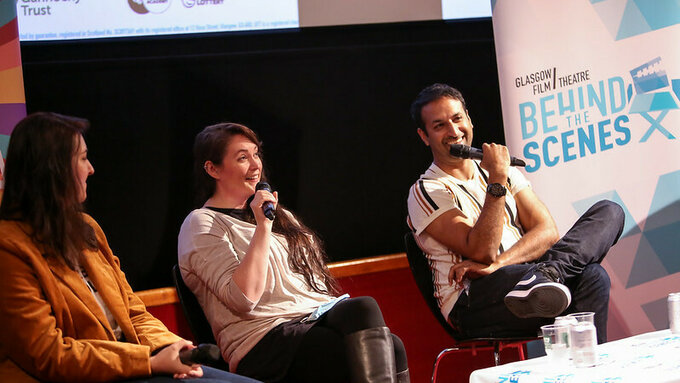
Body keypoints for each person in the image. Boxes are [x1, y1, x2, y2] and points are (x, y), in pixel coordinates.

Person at [0, 112, 260, 383]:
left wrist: (170, 347)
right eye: (82, 158)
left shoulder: (85, 228)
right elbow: (49, 354)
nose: (91, 169)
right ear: (53, 169)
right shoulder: (9, 248)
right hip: (90, 375)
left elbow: (132, 309)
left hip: (134, 364)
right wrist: (147, 362)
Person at [177, 122, 409, 383]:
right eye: (243, 157)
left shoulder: (281, 215)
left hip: (309, 319)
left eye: (256, 154)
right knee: (354, 347)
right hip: (262, 342)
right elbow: (244, 298)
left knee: (384, 333)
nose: (255, 165)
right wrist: (263, 227)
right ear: (212, 168)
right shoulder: (203, 223)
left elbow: (314, 284)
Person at [406, 84, 625, 344]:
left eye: (457, 119)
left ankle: (548, 276)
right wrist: (497, 179)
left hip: (525, 276)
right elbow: (481, 252)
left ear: (469, 119)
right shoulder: (426, 189)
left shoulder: (502, 169)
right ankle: (544, 280)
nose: (454, 131)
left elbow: (547, 231)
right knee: (590, 277)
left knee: (609, 213)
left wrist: (500, 263)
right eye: (439, 125)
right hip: (472, 301)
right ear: (424, 136)